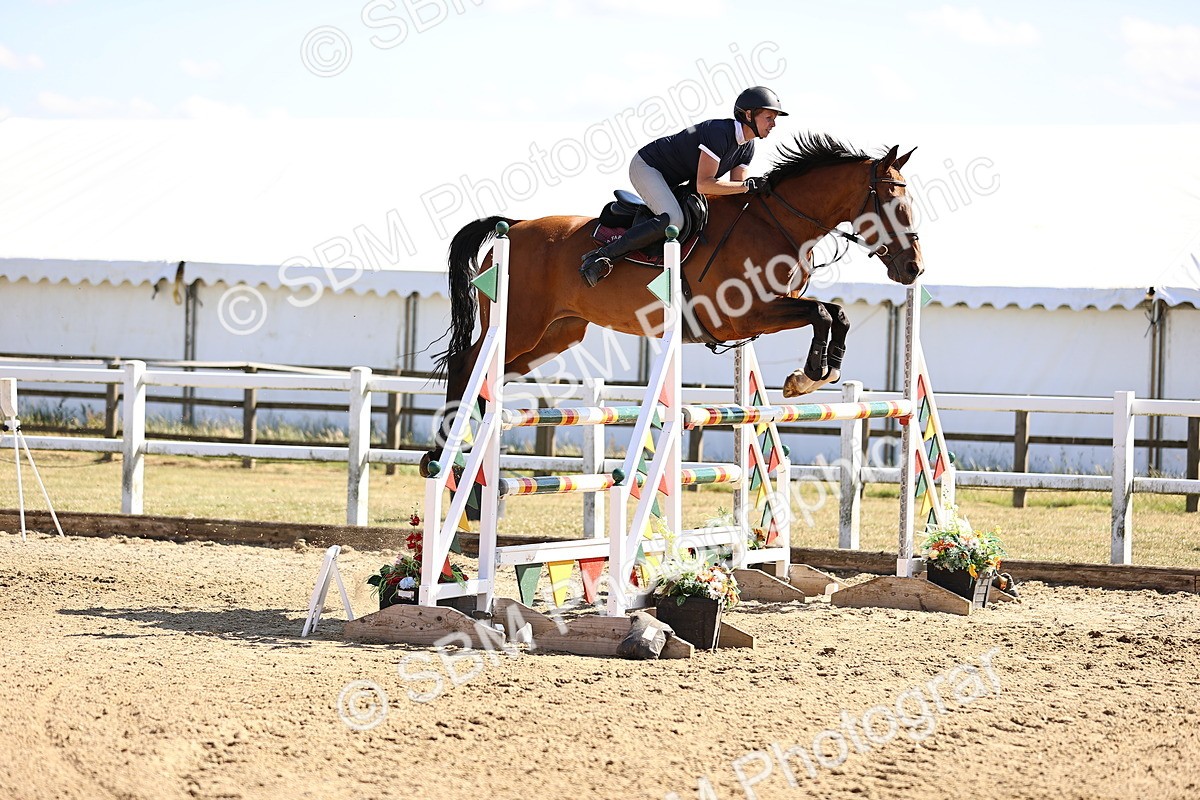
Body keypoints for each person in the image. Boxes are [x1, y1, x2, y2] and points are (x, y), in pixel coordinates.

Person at [579, 85, 787, 287]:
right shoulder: (719, 133)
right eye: (769, 118)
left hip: (671, 179)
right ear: (749, 115)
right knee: (674, 220)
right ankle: (599, 258)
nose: (773, 124)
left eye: (774, 119)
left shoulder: (747, 147)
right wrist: (747, 186)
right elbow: (705, 184)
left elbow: (736, 188)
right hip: (647, 166)